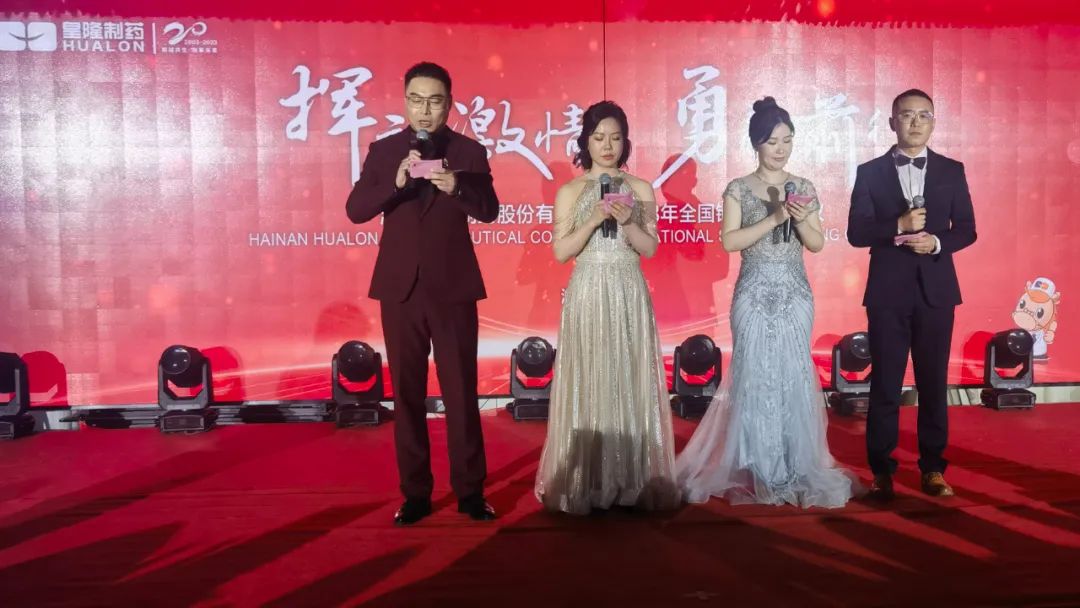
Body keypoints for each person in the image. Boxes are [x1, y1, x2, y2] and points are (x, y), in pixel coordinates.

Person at [676, 97, 858, 508]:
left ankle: (795, 464)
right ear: (756, 143)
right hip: (753, 292)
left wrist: (801, 217)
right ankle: (757, 465)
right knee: (754, 376)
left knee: (793, 375)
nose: (781, 149)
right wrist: (775, 218)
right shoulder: (739, 188)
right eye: (773, 141)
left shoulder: (803, 187)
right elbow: (730, 241)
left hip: (794, 292)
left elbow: (815, 243)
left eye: (787, 140)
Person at [346, 62, 500, 524]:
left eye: (434, 101)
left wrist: (457, 186)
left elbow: (490, 210)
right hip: (401, 290)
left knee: (461, 393)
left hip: (453, 289)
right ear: (405, 102)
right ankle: (415, 493)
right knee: (407, 395)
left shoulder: (469, 152)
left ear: (449, 104)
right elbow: (356, 209)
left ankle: (470, 492)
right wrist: (395, 183)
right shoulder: (385, 151)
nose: (425, 110)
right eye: (416, 100)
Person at [534, 101, 681, 515]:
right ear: (585, 142)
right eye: (599, 138)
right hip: (588, 289)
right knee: (591, 374)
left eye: (615, 138)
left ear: (625, 142)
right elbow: (561, 251)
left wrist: (629, 219)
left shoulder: (641, 188)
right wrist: (594, 218)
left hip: (628, 288)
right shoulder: (570, 191)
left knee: (628, 376)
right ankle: (589, 478)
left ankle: (631, 478)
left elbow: (649, 248)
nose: (607, 146)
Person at [847, 89, 976, 500]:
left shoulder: (951, 170)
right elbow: (856, 232)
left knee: (933, 384)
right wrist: (897, 226)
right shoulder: (869, 172)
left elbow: (967, 229)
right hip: (887, 292)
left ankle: (933, 468)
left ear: (934, 122)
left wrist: (936, 242)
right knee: (885, 384)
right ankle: (881, 471)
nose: (916, 122)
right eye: (907, 115)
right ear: (892, 123)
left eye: (924, 115)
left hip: (936, 292)